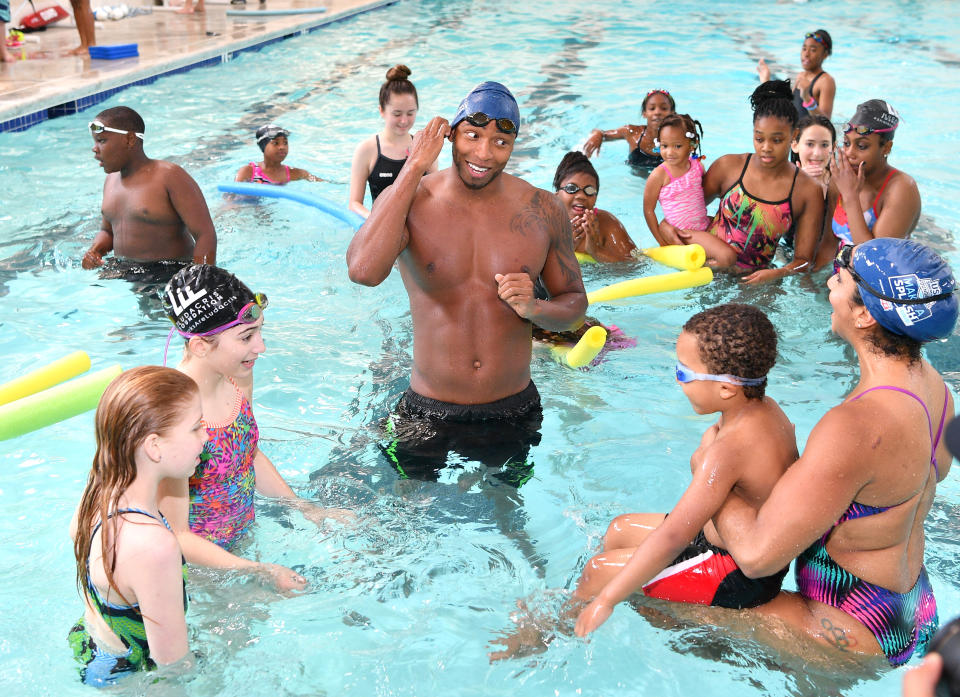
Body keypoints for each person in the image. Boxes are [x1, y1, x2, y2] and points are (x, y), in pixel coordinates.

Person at [711, 238, 957, 666]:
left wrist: (713, 471)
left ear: (865, 314)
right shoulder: (936, 388)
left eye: (843, 273)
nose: (831, 279)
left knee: (646, 590)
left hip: (851, 628)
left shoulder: (856, 425)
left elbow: (756, 556)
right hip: (914, 607)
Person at [346, 81, 587, 484]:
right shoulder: (412, 200)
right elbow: (363, 272)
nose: (483, 153)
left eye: (500, 142)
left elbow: (575, 306)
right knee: (407, 517)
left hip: (514, 409)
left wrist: (536, 309)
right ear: (450, 133)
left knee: (509, 514)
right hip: (426, 408)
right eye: (473, 136)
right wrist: (413, 166)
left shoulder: (542, 209)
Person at [572, 304, 797, 636]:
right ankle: (608, 594)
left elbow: (674, 535)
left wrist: (605, 600)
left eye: (683, 373)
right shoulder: (766, 410)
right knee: (619, 529)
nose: (678, 382)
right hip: (724, 546)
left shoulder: (729, 450)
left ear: (726, 387)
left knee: (599, 570)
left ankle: (556, 628)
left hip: (733, 576)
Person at [159, 264, 351, 590]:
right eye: (247, 336)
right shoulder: (169, 415)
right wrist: (257, 571)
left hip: (242, 540)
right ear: (200, 346)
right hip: (195, 572)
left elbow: (247, 454)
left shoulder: (237, 376)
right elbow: (177, 537)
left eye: (261, 331)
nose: (260, 346)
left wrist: (304, 508)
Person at [68, 366, 203, 686]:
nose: (206, 436)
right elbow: (172, 670)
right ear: (154, 446)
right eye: (196, 428)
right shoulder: (152, 546)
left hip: (91, 643)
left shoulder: (102, 481)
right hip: (128, 677)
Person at [660, 81, 823, 284]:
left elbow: (804, 261)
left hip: (756, 281)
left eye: (777, 140)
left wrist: (779, 273)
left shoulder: (807, 190)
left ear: (794, 136)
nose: (766, 148)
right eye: (759, 138)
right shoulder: (729, 167)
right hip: (706, 270)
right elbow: (687, 209)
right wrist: (665, 225)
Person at [81, 106, 217, 280]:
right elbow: (108, 231)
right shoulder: (111, 181)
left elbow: (205, 234)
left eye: (102, 141)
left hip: (172, 273)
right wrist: (95, 251)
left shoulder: (169, 176)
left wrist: (200, 280)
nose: (95, 148)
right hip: (127, 271)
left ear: (130, 139)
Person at [813, 100, 921, 270]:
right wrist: (810, 284)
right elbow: (828, 244)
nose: (849, 153)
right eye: (847, 143)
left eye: (862, 146)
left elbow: (874, 259)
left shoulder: (902, 189)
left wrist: (850, 196)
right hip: (842, 283)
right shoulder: (841, 178)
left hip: (877, 287)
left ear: (886, 148)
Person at [348, 65, 438, 217]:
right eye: (397, 114)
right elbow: (354, 203)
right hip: (382, 227)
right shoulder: (367, 150)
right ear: (381, 111)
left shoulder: (424, 146)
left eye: (410, 113)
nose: (404, 121)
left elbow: (435, 194)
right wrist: (375, 220)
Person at [553, 151, 636, 262]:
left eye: (589, 190)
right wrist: (564, 251)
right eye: (571, 188)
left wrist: (595, 251)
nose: (581, 196)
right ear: (557, 194)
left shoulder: (606, 224)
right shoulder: (545, 223)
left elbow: (636, 266)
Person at [643, 113, 710, 243]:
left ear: (692, 145)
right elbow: (648, 210)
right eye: (664, 146)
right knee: (726, 257)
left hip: (703, 228)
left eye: (677, 146)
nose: (669, 152)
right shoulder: (659, 175)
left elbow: (701, 198)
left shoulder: (698, 167)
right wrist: (661, 241)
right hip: (681, 235)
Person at [581, 89, 675, 171]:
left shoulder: (679, 137)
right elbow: (601, 133)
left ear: (672, 113)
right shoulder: (632, 133)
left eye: (664, 108)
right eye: (652, 108)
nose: (657, 112)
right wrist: (597, 135)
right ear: (644, 113)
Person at [782, 113, 836, 249]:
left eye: (824, 145)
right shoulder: (781, 183)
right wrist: (796, 187)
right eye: (810, 144)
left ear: (833, 148)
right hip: (786, 252)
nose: (817, 153)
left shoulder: (841, 184)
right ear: (795, 145)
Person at [757, 29, 836, 120]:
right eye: (804, 49)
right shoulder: (800, 76)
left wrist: (807, 99)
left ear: (825, 55)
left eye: (813, 50)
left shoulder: (826, 81)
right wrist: (766, 82)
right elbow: (788, 109)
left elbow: (825, 122)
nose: (806, 54)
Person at [234, 125, 322, 185]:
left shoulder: (293, 173)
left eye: (285, 142)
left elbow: (320, 182)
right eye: (276, 143)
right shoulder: (249, 172)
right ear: (263, 147)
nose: (282, 147)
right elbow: (231, 196)